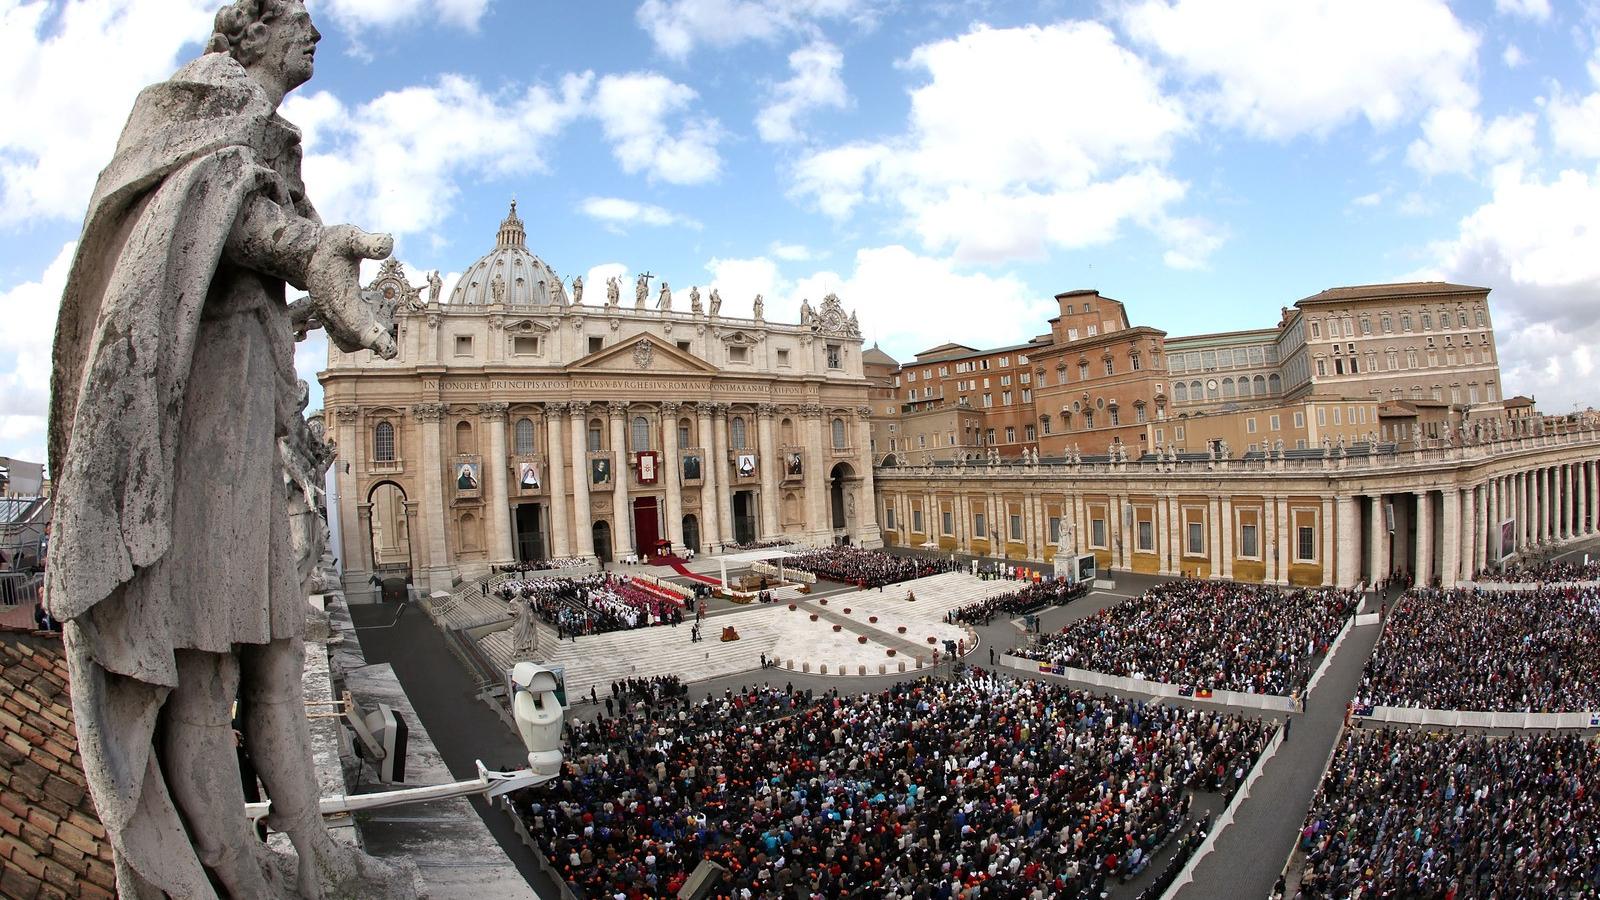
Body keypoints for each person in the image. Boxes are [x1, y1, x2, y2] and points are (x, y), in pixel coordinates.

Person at [44, 1, 408, 895]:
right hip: (203, 428)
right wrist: (306, 250)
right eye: (297, 17)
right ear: (248, 29)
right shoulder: (202, 99)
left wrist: (310, 298)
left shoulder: (269, 133)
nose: (316, 32)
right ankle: (235, 873)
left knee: (277, 655)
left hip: (250, 404)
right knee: (207, 676)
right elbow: (209, 218)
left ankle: (318, 860)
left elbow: (244, 280)